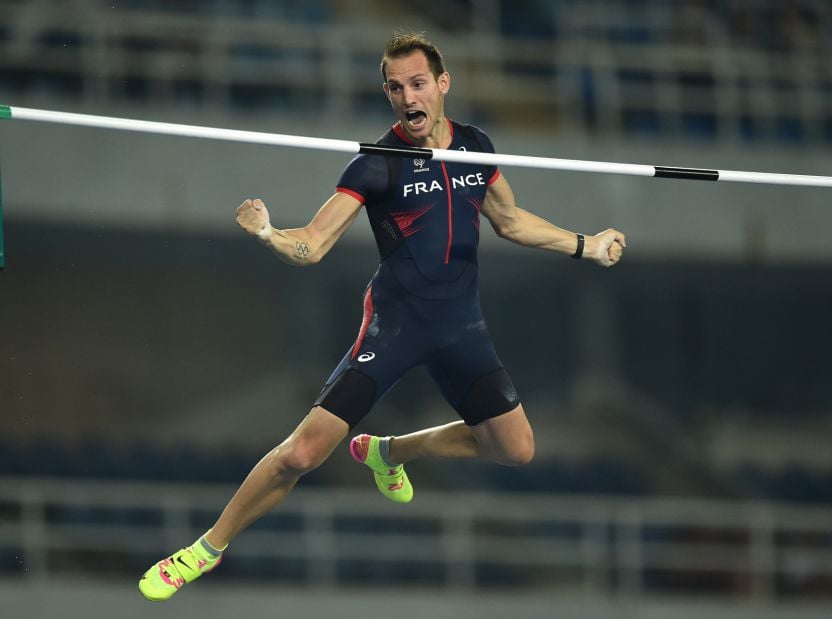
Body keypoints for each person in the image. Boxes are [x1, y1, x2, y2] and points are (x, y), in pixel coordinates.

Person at [138, 32, 626, 601]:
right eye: (395, 88)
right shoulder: (376, 164)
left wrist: (585, 244)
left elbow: (510, 221)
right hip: (394, 326)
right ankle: (204, 550)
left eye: (417, 84)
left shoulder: (474, 145)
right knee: (301, 453)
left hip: (459, 326)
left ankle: (388, 451)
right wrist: (271, 234)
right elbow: (314, 244)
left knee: (516, 449)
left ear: (443, 85)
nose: (406, 97)